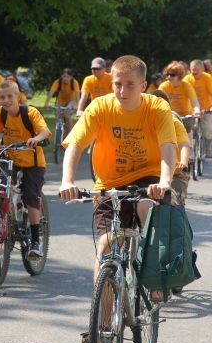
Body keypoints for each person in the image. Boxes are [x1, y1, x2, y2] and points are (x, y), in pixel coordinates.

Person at [60, 55, 176, 286]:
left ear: (143, 85)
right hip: (109, 182)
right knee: (105, 245)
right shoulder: (100, 107)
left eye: (130, 84)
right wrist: (67, 181)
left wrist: (164, 181)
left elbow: (168, 147)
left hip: (148, 178)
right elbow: (75, 145)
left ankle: (154, 271)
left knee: (145, 207)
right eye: (117, 84)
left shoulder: (157, 107)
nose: (123, 91)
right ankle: (102, 307)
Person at [0, 80, 52, 259]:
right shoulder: (0, 114)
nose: (6, 100)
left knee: (31, 197)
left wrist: (36, 139)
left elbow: (45, 131)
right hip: (10, 159)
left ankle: (35, 241)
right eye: (2, 97)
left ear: (18, 97)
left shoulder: (29, 113)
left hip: (33, 163)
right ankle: (5, 222)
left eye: (10, 96)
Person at [149, 89, 191, 206]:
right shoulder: (145, 121)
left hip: (176, 172)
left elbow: (184, 144)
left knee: (174, 205)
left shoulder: (173, 122)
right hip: (152, 171)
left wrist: (183, 162)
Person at [184, 59, 212, 158]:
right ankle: (190, 153)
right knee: (189, 131)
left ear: (202, 69)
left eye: (197, 70)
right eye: (192, 70)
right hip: (192, 110)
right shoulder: (187, 79)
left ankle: (208, 147)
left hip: (206, 109)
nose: (194, 72)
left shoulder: (207, 78)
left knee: (209, 129)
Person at [158, 60, 200, 133]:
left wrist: (197, 111)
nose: (169, 77)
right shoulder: (163, 86)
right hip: (170, 116)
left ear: (179, 75)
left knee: (188, 136)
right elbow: (158, 101)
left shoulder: (186, 86)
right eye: (167, 74)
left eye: (172, 75)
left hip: (186, 117)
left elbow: (195, 102)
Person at [44, 68, 80, 134]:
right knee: (58, 117)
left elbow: (77, 96)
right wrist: (46, 104)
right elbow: (51, 93)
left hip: (72, 101)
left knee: (67, 114)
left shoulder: (74, 82)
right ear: (61, 76)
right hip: (61, 101)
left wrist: (78, 107)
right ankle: (58, 134)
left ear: (71, 77)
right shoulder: (58, 82)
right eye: (64, 76)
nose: (66, 78)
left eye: (68, 77)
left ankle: (70, 134)